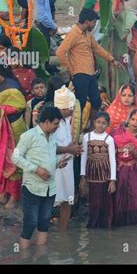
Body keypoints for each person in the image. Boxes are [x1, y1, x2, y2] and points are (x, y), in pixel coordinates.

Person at [12, 106, 66, 249]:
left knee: (44, 221)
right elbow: (15, 157)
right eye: (56, 124)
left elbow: (49, 161)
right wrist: (36, 169)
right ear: (46, 121)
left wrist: (58, 163)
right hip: (32, 187)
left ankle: (41, 256)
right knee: (30, 223)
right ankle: (24, 257)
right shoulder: (29, 136)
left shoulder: (52, 137)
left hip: (50, 188)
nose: (57, 127)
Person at [56, 9, 120, 114]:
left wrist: (112, 60)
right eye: (94, 22)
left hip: (90, 73)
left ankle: (93, 128)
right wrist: (70, 69)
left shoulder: (87, 34)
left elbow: (97, 48)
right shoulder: (73, 34)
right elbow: (60, 52)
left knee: (96, 102)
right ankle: (77, 128)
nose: (94, 25)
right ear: (86, 22)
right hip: (80, 74)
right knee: (80, 103)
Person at [0, 59, 27, 208]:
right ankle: (3, 193)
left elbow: (19, 106)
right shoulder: (2, 84)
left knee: (13, 160)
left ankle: (14, 196)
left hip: (14, 128)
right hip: (3, 126)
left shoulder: (12, 87)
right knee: (3, 159)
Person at [52, 86, 83, 231]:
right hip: (54, 166)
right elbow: (48, 147)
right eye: (71, 108)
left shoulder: (67, 119)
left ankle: (62, 233)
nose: (73, 110)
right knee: (52, 200)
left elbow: (66, 142)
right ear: (63, 108)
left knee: (68, 199)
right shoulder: (51, 123)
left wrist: (74, 147)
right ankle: (43, 233)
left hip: (68, 167)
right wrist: (68, 149)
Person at [112, 109, 137, 226]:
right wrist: (120, 150)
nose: (134, 122)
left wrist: (136, 154)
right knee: (118, 197)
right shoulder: (116, 132)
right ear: (128, 120)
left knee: (136, 198)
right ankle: (118, 226)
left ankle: (134, 230)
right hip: (118, 170)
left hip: (135, 171)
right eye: (132, 119)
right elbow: (108, 151)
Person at [80, 111, 117, 228]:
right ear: (94, 122)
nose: (100, 125)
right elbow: (83, 157)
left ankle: (102, 224)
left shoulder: (109, 139)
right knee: (93, 200)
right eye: (98, 122)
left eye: (104, 123)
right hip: (91, 172)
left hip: (104, 173)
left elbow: (112, 160)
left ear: (108, 125)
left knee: (103, 200)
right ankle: (92, 224)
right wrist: (82, 176)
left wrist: (112, 180)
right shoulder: (87, 137)